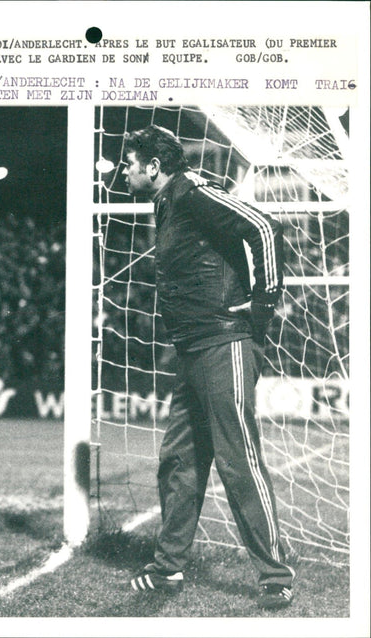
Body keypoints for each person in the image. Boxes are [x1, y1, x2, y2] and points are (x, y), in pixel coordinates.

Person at [119, 125, 295, 610]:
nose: (124, 171)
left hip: (224, 343)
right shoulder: (167, 201)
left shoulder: (194, 190)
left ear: (153, 166)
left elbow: (263, 227)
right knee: (179, 461)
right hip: (192, 348)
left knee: (237, 460)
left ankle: (276, 575)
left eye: (128, 163)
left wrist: (264, 303)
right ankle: (168, 568)